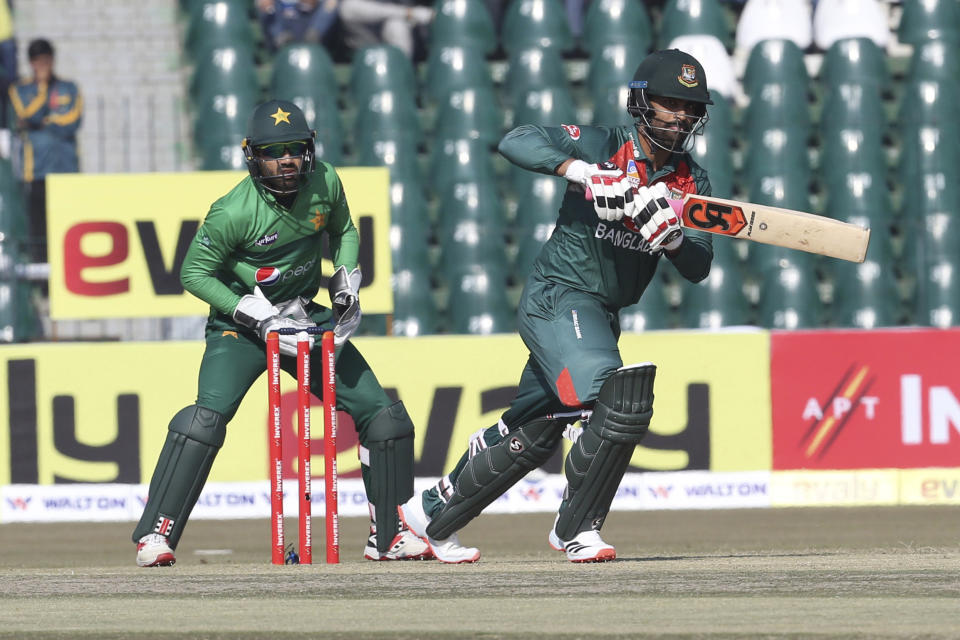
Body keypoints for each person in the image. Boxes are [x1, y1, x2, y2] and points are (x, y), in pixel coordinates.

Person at [398, 49, 715, 563]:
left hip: (600, 315)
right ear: (641, 103)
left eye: (690, 106)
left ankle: (422, 518)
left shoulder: (691, 182)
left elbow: (699, 265)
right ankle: (577, 529)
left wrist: (675, 240)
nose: (679, 115)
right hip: (559, 296)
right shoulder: (605, 145)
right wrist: (585, 173)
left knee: (534, 431)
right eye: (668, 102)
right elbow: (516, 139)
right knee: (620, 399)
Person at [133, 99, 431, 566]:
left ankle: (388, 536)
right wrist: (245, 308)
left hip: (302, 317)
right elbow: (194, 273)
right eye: (274, 151)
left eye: (294, 149)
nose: (286, 160)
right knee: (204, 421)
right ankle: (157, 535)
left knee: (386, 417)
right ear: (253, 155)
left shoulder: (325, 180)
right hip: (240, 329)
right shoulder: (233, 210)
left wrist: (346, 279)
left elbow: (345, 230)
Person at [7, 38, 82, 264]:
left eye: (47, 60)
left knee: (69, 226)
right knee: (39, 232)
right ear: (31, 63)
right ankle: (42, 284)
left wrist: (45, 121)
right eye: (38, 61)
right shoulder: (20, 90)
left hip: (66, 170)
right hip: (36, 172)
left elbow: (73, 121)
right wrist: (41, 90)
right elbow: (27, 116)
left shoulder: (69, 87)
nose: (44, 65)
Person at [255, 0, 341, 52]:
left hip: (311, 24)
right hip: (284, 22)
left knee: (331, 2)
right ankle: (282, 39)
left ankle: (314, 35)